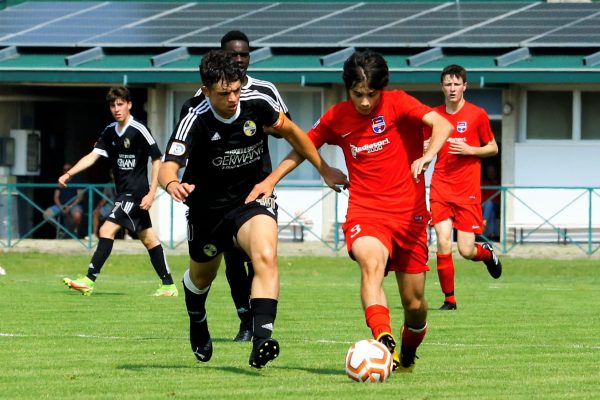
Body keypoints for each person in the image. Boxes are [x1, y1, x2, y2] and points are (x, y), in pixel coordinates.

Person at [246, 50, 454, 372]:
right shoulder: (337, 117)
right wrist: (275, 179)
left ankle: (408, 354)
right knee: (371, 264)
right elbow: (304, 143)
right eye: (359, 94)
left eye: (372, 94)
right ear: (348, 89)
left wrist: (428, 156)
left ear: (381, 89)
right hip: (366, 213)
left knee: (415, 306)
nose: (366, 102)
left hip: (410, 218)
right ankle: (383, 338)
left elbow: (441, 123)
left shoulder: (399, 103)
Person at [159, 49, 346, 368]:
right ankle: (197, 317)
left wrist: (324, 169)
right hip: (208, 209)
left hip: (251, 199)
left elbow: (295, 133)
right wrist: (172, 183)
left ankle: (262, 338)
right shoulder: (194, 115)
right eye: (224, 93)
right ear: (206, 91)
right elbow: (167, 166)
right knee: (202, 277)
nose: (233, 98)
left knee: (265, 254)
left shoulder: (257, 104)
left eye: (236, 89)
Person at [181, 30, 292, 342]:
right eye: (233, 55)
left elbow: (287, 129)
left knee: (262, 255)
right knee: (227, 264)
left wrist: (264, 125)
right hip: (214, 200)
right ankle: (243, 319)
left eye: (244, 55)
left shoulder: (263, 91)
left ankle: (260, 330)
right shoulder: (204, 100)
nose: (239, 60)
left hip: (257, 189)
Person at [60, 86, 178, 297]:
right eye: (113, 105)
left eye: (120, 104)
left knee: (106, 230)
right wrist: (70, 174)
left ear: (129, 104)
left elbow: (157, 158)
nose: (116, 108)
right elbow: (92, 156)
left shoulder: (139, 129)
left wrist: (152, 193)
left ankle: (89, 279)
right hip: (123, 192)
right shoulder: (109, 131)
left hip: (136, 192)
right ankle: (168, 285)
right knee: (149, 239)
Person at [425, 64, 502, 312]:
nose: (452, 88)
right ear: (442, 87)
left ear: (465, 86)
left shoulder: (477, 115)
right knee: (443, 242)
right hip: (441, 187)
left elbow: (493, 148)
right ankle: (450, 300)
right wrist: (424, 155)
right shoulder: (434, 116)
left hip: (467, 189)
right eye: (448, 84)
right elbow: (426, 146)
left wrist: (471, 150)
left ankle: (487, 253)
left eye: (457, 84)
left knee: (467, 250)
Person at [43, 163, 84, 236]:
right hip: (61, 205)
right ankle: (62, 230)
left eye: (69, 169)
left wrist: (70, 206)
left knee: (77, 215)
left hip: (74, 205)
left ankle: (74, 232)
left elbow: (80, 197)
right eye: (65, 170)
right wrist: (61, 207)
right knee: (46, 214)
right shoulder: (60, 181)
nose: (66, 171)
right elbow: (56, 197)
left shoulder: (78, 180)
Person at [481, 163, 500, 241]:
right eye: (489, 171)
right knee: (490, 210)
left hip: (498, 206)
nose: (491, 173)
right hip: (485, 207)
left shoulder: (500, 182)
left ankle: (484, 221)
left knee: (490, 204)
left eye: (492, 171)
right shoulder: (483, 182)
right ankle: (491, 235)